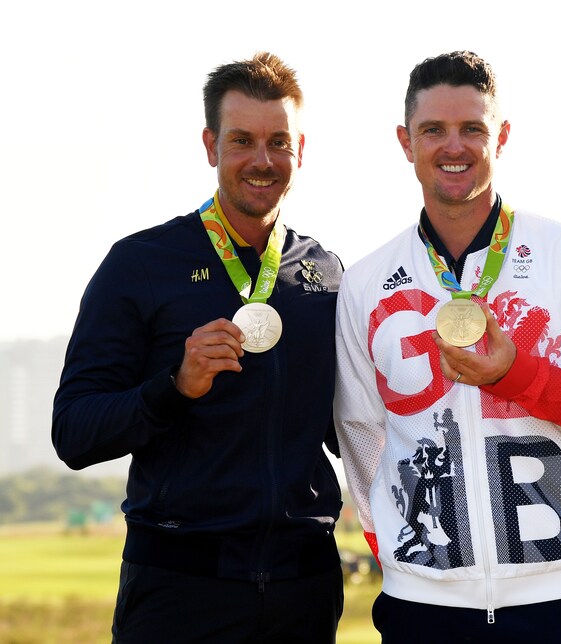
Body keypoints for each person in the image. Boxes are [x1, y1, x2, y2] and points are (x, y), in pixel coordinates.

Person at [333, 50, 561, 644]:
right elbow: (360, 435)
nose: (453, 147)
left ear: (500, 136)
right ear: (406, 141)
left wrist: (517, 375)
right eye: (434, 130)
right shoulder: (365, 280)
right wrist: (409, 560)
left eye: (472, 129)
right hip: (421, 605)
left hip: (559, 598)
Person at [52, 52, 344, 643]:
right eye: (242, 140)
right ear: (211, 146)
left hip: (303, 590)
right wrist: (173, 388)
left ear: (301, 150)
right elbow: (74, 432)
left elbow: (352, 428)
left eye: (278, 142)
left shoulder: (328, 273)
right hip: (181, 592)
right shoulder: (139, 265)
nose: (262, 161)